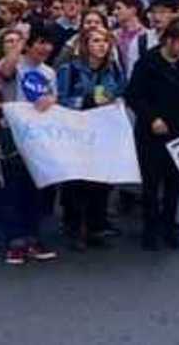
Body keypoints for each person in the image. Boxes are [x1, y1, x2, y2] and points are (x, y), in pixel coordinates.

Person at [126, 19, 179, 251]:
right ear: (169, 40)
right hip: (152, 132)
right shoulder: (148, 62)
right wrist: (152, 118)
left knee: (174, 184)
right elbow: (134, 95)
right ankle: (150, 230)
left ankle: (169, 227)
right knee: (151, 184)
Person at [0, 26, 61, 264]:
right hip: (13, 134)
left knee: (37, 189)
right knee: (14, 188)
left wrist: (51, 100)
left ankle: (33, 238)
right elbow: (5, 71)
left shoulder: (50, 72)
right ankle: (15, 241)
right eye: (40, 42)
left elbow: (55, 98)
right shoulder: (14, 64)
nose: (46, 48)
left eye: (49, 44)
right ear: (29, 44)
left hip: (39, 137)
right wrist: (18, 42)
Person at [56, 26, 126, 250]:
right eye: (95, 41)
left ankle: (96, 226)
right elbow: (61, 99)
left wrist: (113, 101)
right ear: (85, 45)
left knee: (100, 181)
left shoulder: (112, 68)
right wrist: (86, 102)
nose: (101, 46)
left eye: (104, 41)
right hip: (76, 130)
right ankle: (75, 227)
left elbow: (120, 90)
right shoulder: (70, 69)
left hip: (103, 130)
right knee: (77, 181)